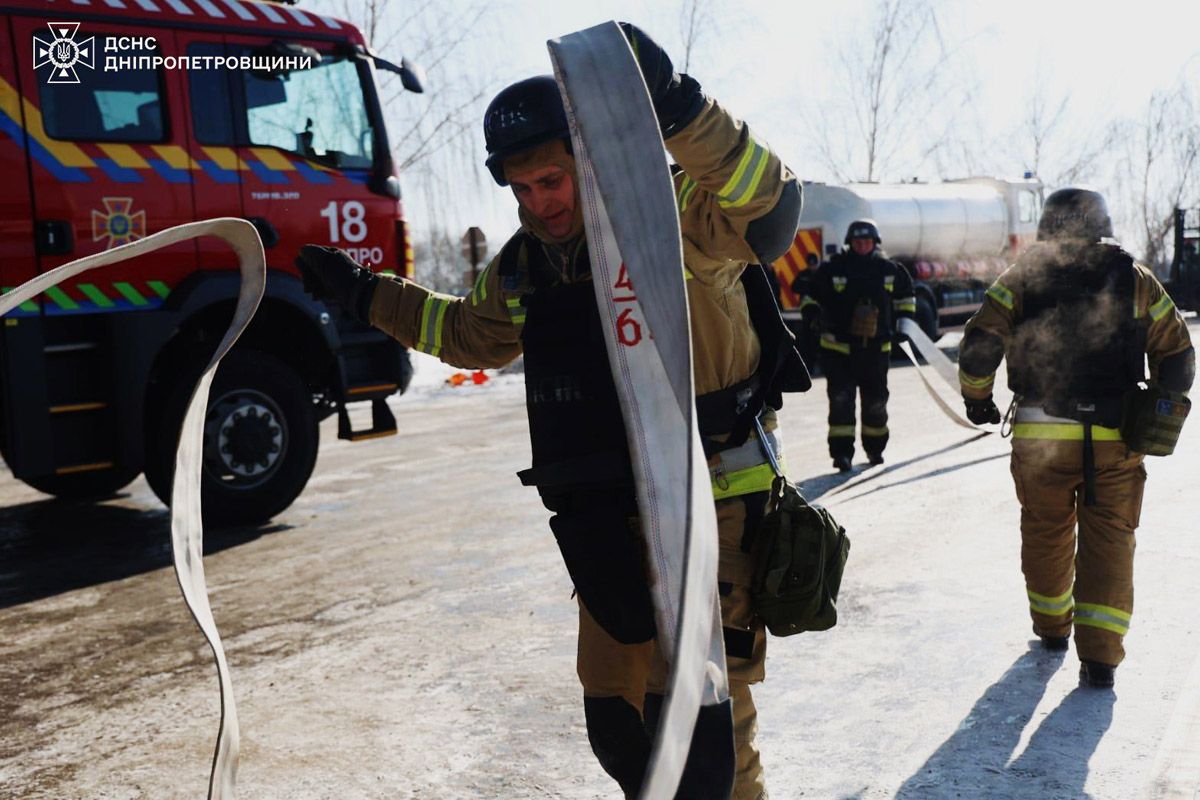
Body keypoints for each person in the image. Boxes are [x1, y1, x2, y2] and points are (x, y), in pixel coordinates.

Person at [296, 23, 803, 800]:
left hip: (712, 508)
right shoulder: (527, 261)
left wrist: (674, 106)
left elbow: (768, 203)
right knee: (620, 726)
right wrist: (366, 292)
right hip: (606, 514)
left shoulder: (668, 211)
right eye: (523, 188)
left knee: (707, 739)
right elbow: (468, 335)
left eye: (553, 180)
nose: (542, 202)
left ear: (587, 156)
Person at [958, 187, 1194, 689]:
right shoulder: (1134, 278)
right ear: (1101, 224)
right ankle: (1102, 658)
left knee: (1045, 529)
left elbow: (980, 344)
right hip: (1115, 436)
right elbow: (1178, 356)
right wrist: (1158, 411)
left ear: (1047, 226)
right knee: (1110, 537)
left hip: (1040, 434)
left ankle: (1050, 627)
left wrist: (978, 398)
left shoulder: (1021, 277)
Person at [803, 220, 916, 471]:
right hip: (839, 351)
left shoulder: (890, 270)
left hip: (876, 352)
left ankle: (875, 450)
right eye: (857, 242)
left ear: (875, 243)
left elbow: (906, 297)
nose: (862, 245)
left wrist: (904, 327)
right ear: (849, 244)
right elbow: (809, 295)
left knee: (876, 403)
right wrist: (812, 315)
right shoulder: (833, 270)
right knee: (841, 403)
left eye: (867, 242)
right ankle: (842, 454)